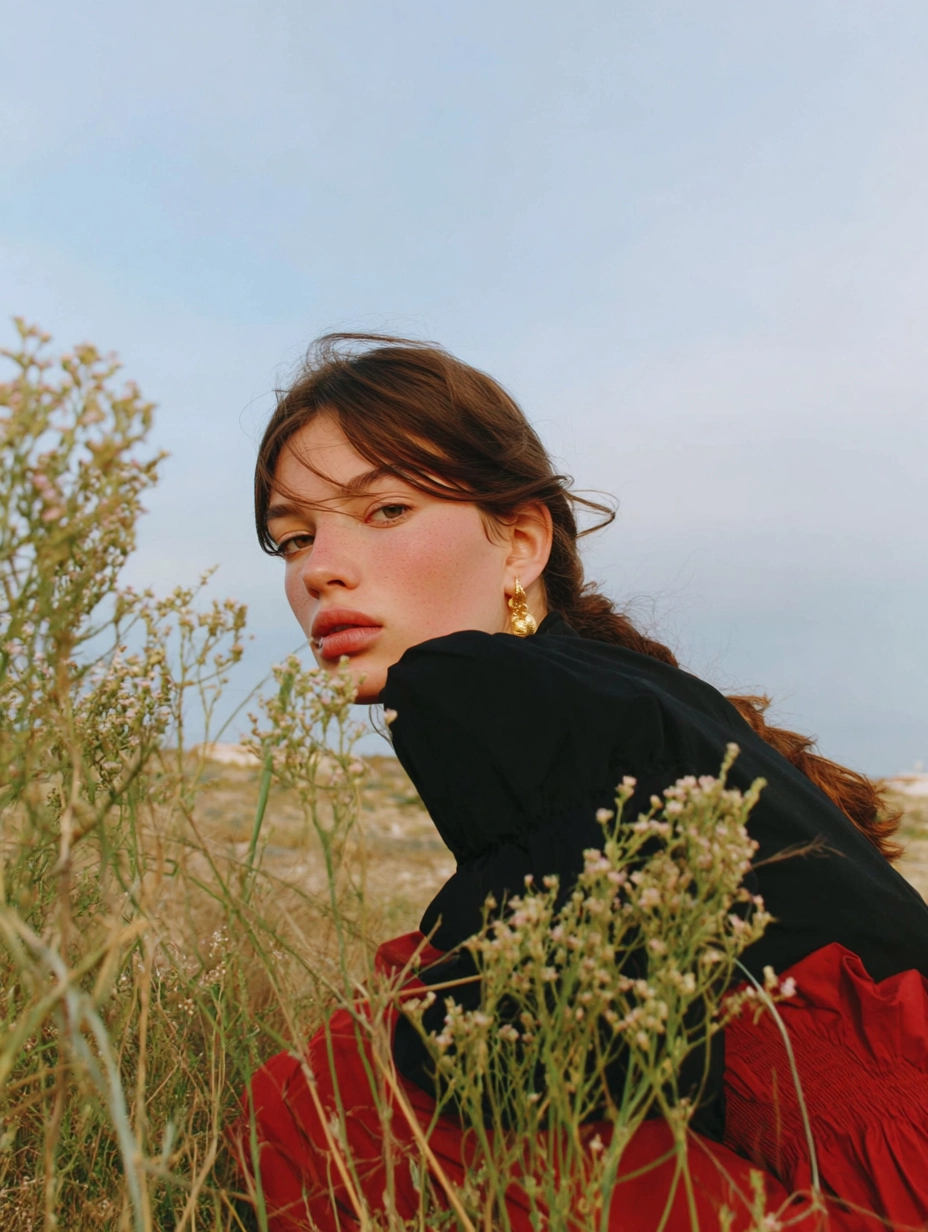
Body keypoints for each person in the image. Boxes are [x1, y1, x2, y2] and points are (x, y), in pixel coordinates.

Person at [237, 334, 928, 1231]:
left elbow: (562, 1050)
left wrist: (407, 1029)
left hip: (868, 1153)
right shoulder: (636, 690)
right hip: (888, 1138)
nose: (318, 568)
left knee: (323, 1100)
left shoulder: (465, 681)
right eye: (294, 538)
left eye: (386, 511)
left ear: (520, 541)